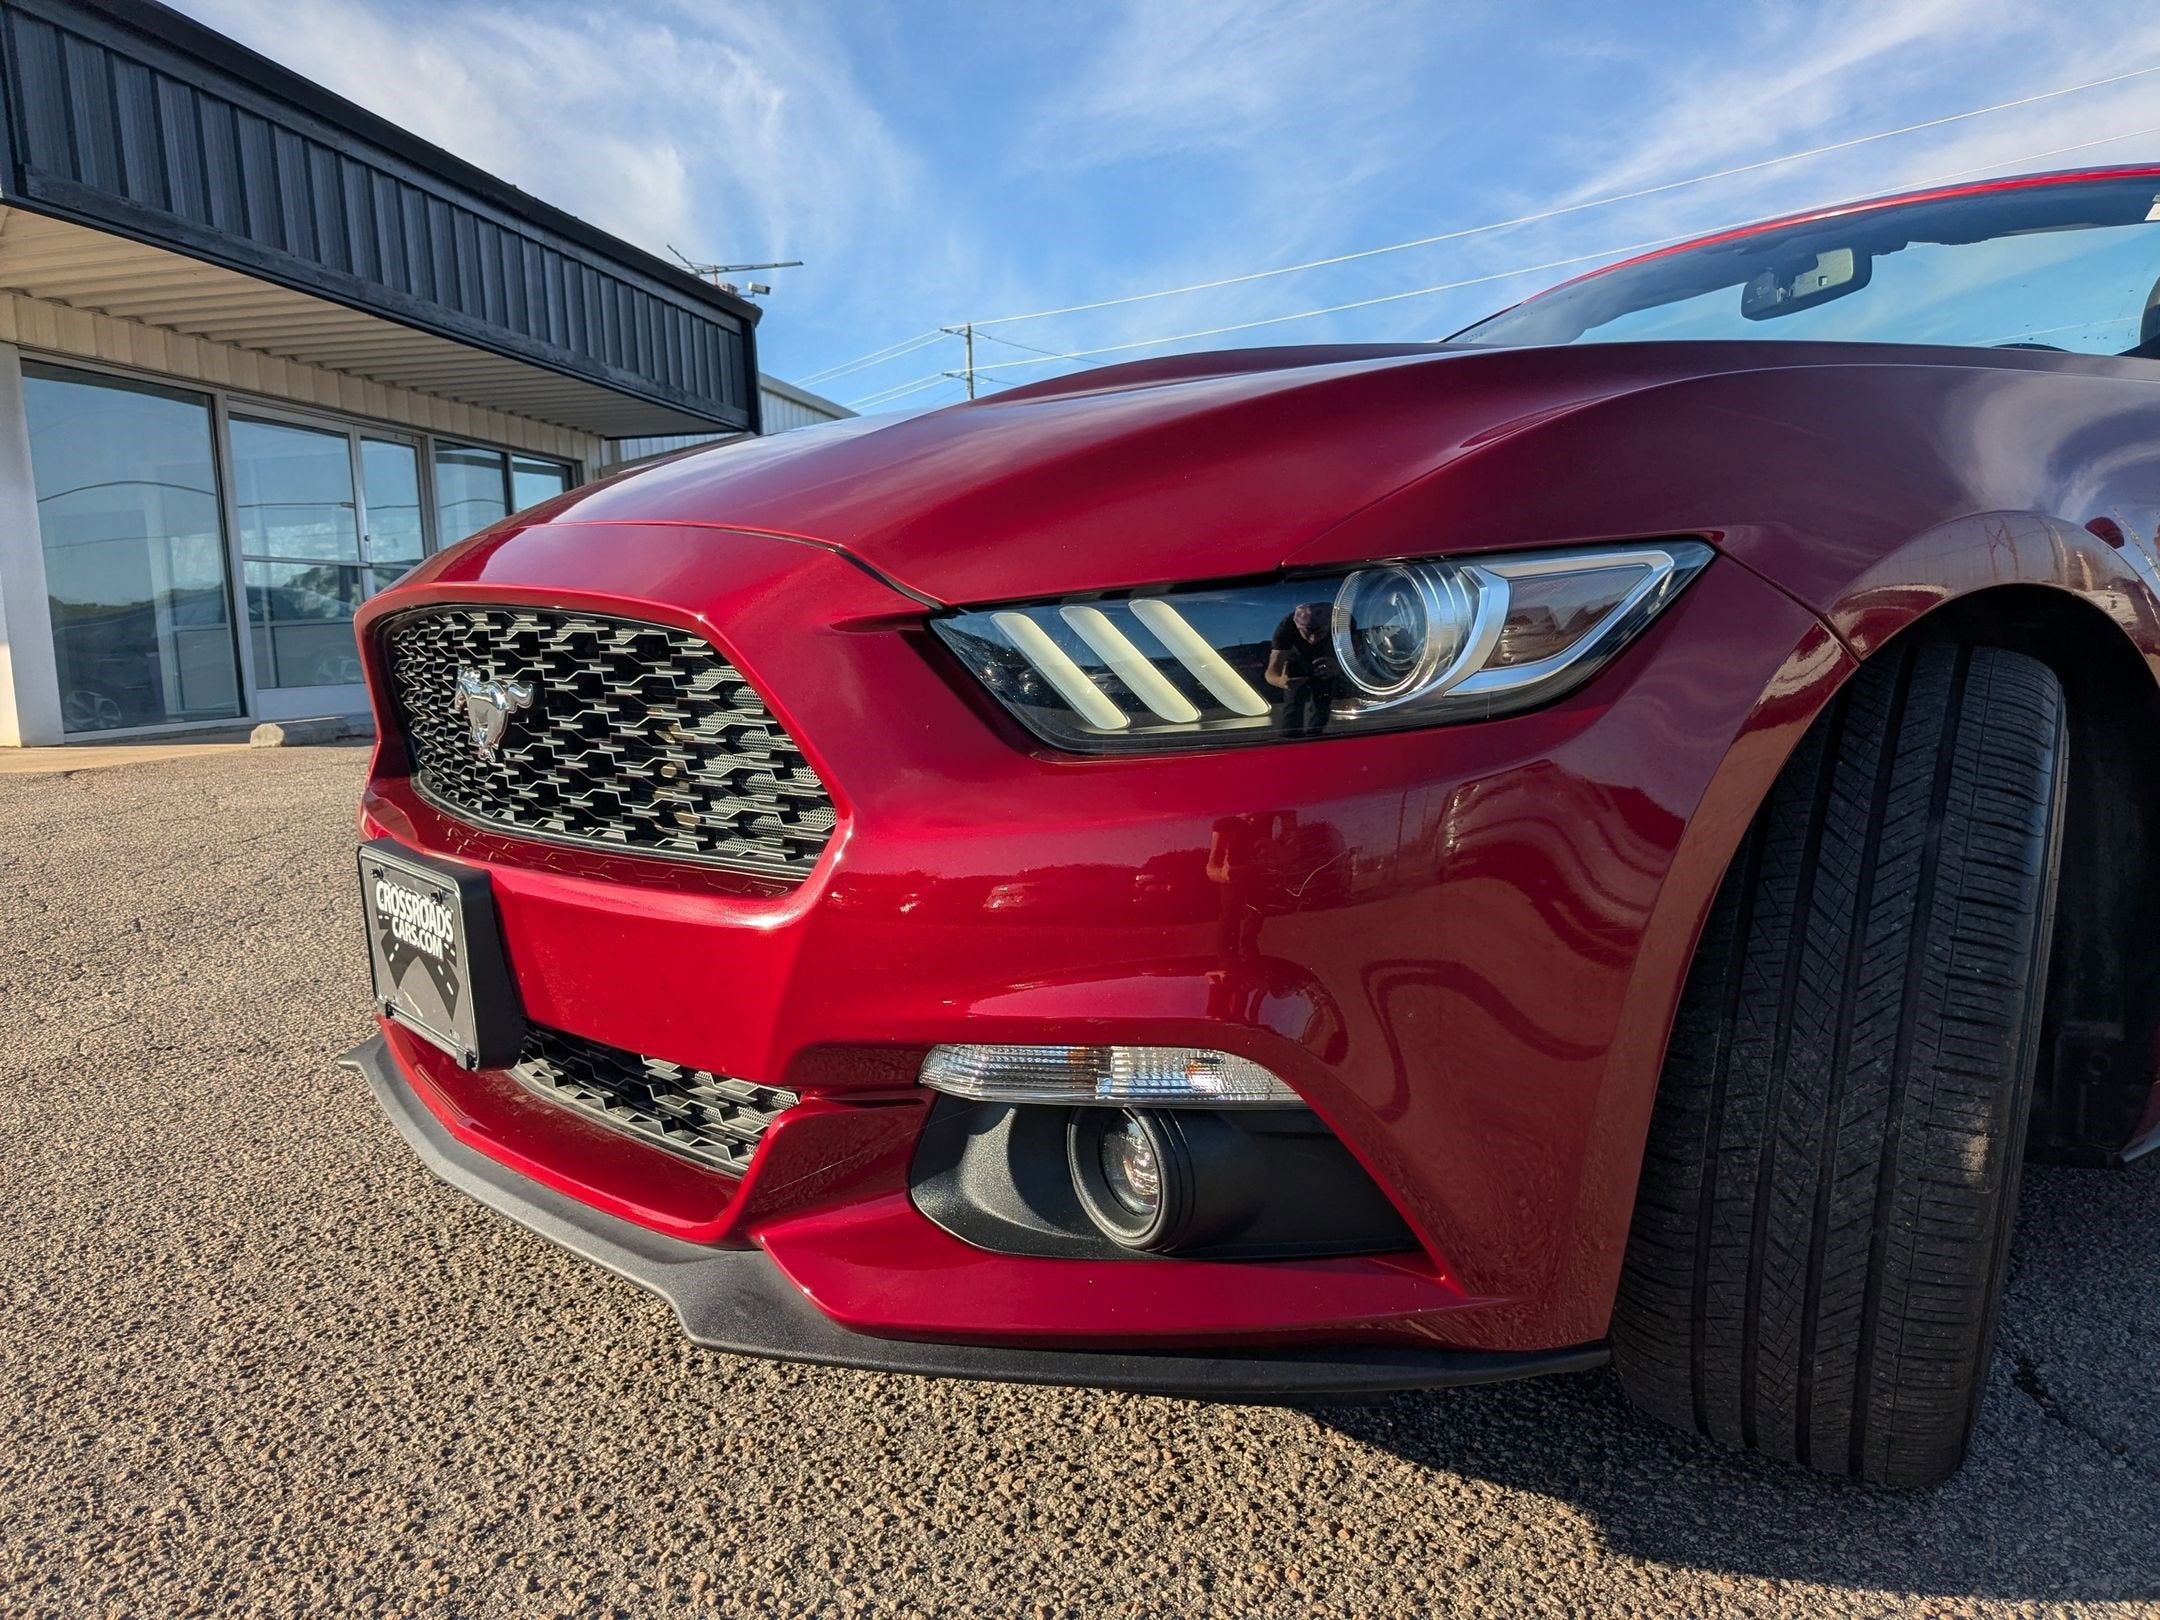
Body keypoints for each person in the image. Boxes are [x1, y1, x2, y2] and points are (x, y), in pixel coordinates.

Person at [1265, 601, 1337, 738]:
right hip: (1295, 664)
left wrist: (1339, 667)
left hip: (1327, 663)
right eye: (1307, 632)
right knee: (1293, 704)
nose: (1313, 638)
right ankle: (1290, 736)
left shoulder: (1344, 622)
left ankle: (1317, 736)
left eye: (1320, 631)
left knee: (1322, 704)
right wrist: (1282, 682)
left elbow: (1357, 659)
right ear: (1297, 627)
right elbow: (1271, 672)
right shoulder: (1286, 627)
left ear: (1331, 624)